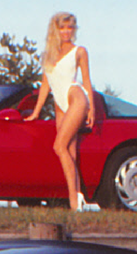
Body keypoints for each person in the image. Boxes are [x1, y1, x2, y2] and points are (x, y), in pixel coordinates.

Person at [24, 11, 97, 211]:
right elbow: (45, 86)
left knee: (59, 147)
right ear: (55, 30)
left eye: (70, 27)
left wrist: (91, 109)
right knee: (69, 152)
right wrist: (36, 112)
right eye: (62, 27)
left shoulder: (80, 51)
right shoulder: (48, 55)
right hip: (59, 104)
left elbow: (87, 81)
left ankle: (75, 201)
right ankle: (77, 199)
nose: (66, 31)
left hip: (76, 98)